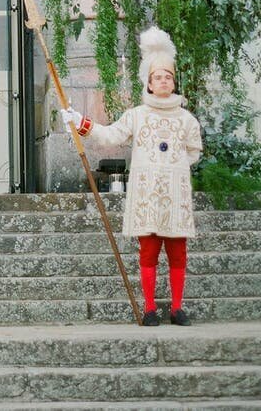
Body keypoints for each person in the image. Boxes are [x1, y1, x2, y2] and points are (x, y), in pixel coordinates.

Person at [61, 27, 202, 327]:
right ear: (149, 84)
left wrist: (172, 169)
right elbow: (110, 135)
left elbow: (194, 152)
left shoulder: (187, 119)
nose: (163, 81)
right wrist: (79, 121)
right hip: (147, 197)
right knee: (148, 252)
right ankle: (149, 308)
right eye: (158, 77)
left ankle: (177, 308)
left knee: (178, 254)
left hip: (175, 198)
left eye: (168, 77)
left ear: (173, 82)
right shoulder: (136, 115)